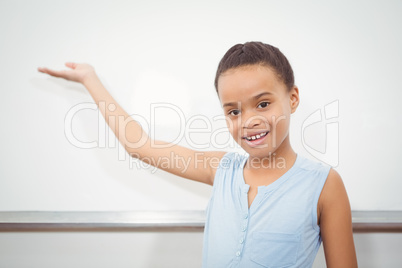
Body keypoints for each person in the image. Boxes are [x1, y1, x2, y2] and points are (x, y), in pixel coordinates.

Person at [38, 41, 357, 267]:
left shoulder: (324, 185)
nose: (249, 121)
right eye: (233, 111)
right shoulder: (221, 168)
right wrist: (90, 79)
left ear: (293, 98)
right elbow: (138, 145)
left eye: (263, 103)